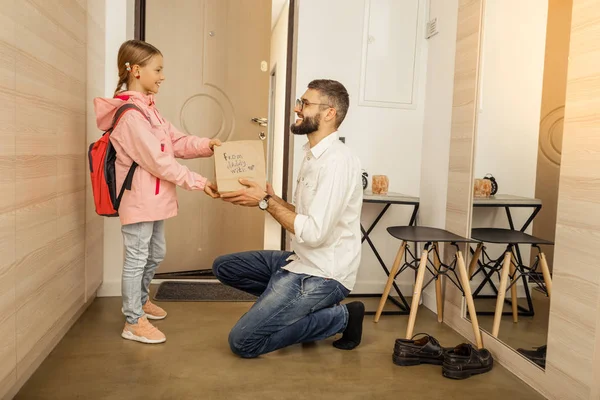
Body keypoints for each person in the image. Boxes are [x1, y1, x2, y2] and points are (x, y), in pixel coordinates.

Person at [213, 79, 365, 358]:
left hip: (323, 274)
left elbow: (316, 231)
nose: (297, 108)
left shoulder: (337, 163)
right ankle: (287, 303)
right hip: (300, 260)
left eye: (305, 104)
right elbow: (306, 213)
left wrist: (265, 202)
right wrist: (272, 198)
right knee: (225, 267)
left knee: (243, 342)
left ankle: (342, 317)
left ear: (329, 113)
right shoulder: (312, 155)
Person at [94, 40, 220, 344]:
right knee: (137, 258)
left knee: (155, 253)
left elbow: (174, 142)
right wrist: (201, 183)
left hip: (156, 199)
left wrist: (207, 145)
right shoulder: (130, 116)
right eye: (158, 69)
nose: (162, 76)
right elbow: (159, 161)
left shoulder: (150, 110)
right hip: (138, 199)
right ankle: (132, 319)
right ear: (136, 71)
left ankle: (140, 300)